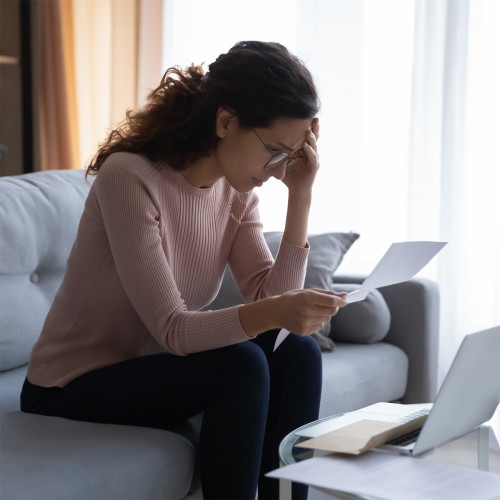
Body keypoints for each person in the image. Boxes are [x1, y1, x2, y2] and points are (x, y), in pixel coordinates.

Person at [21, 41, 348, 499]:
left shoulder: (237, 196)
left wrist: (301, 195)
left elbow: (271, 316)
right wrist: (277, 313)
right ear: (226, 121)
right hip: (70, 384)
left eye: (288, 158)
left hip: (155, 369)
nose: (277, 172)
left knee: (297, 352)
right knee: (240, 363)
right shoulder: (130, 178)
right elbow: (173, 329)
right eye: (274, 151)